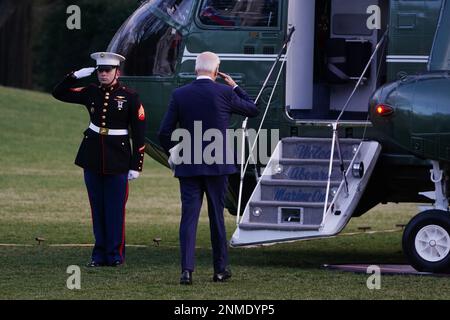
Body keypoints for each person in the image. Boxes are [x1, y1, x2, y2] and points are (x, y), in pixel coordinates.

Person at [158, 52, 259, 285]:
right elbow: (253, 109)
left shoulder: (180, 94)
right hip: (218, 165)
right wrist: (234, 87)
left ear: (196, 70)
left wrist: (174, 152)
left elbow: (165, 131)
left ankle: (186, 271)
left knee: (189, 218)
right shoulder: (224, 93)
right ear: (216, 71)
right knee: (216, 217)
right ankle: (220, 269)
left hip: (189, 164)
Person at [52, 52, 147, 267]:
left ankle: (114, 255)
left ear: (117, 72)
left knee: (114, 209)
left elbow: (139, 133)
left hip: (118, 158)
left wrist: (136, 164)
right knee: (97, 208)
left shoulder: (130, 97)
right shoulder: (90, 92)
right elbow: (58, 93)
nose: (103, 74)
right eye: (100, 70)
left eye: (108, 70)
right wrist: (74, 76)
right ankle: (99, 254)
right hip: (92, 156)